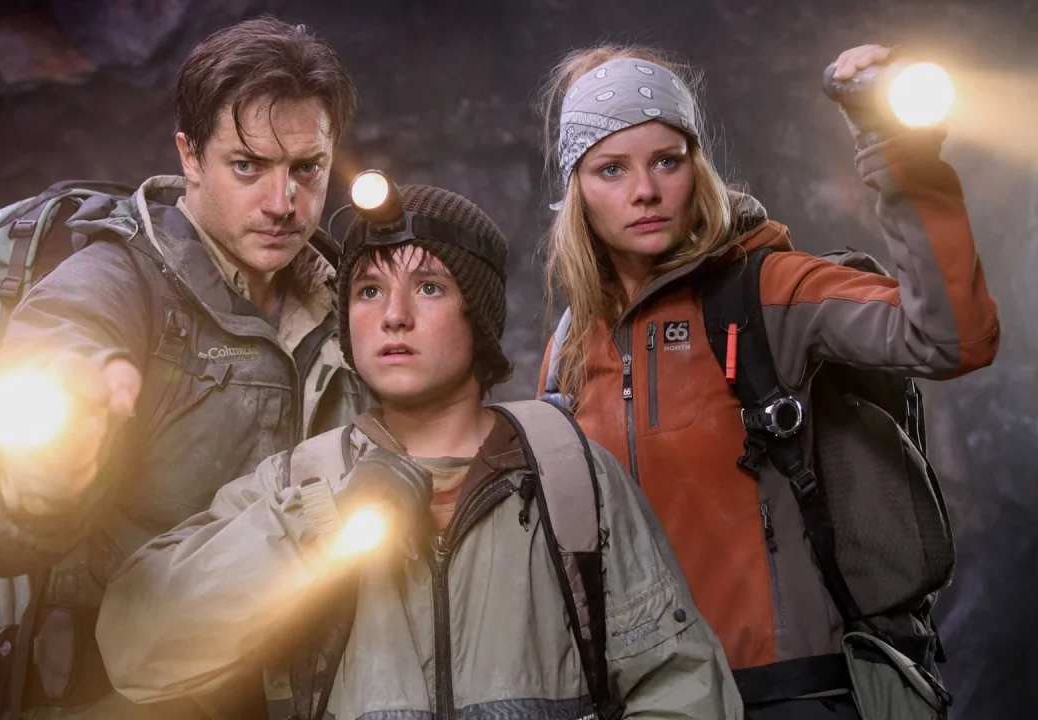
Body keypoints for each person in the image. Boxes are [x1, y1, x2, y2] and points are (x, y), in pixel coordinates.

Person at [94, 180, 744, 720]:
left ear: (478, 317)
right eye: (368, 291)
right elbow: (137, 652)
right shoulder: (300, 482)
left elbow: (682, 687)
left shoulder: (569, 477)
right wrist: (317, 526)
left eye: (429, 287)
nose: (393, 315)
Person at [535, 43, 999, 718]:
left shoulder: (768, 290)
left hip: (792, 692)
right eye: (612, 168)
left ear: (697, 167)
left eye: (667, 160)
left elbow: (954, 338)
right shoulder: (571, 347)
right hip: (647, 703)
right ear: (577, 188)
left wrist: (900, 156)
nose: (645, 191)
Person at [0, 17, 369, 719]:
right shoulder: (115, 280)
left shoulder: (352, 298)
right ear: (190, 157)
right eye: (247, 166)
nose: (282, 203)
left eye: (305, 169)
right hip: (121, 693)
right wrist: (47, 467)